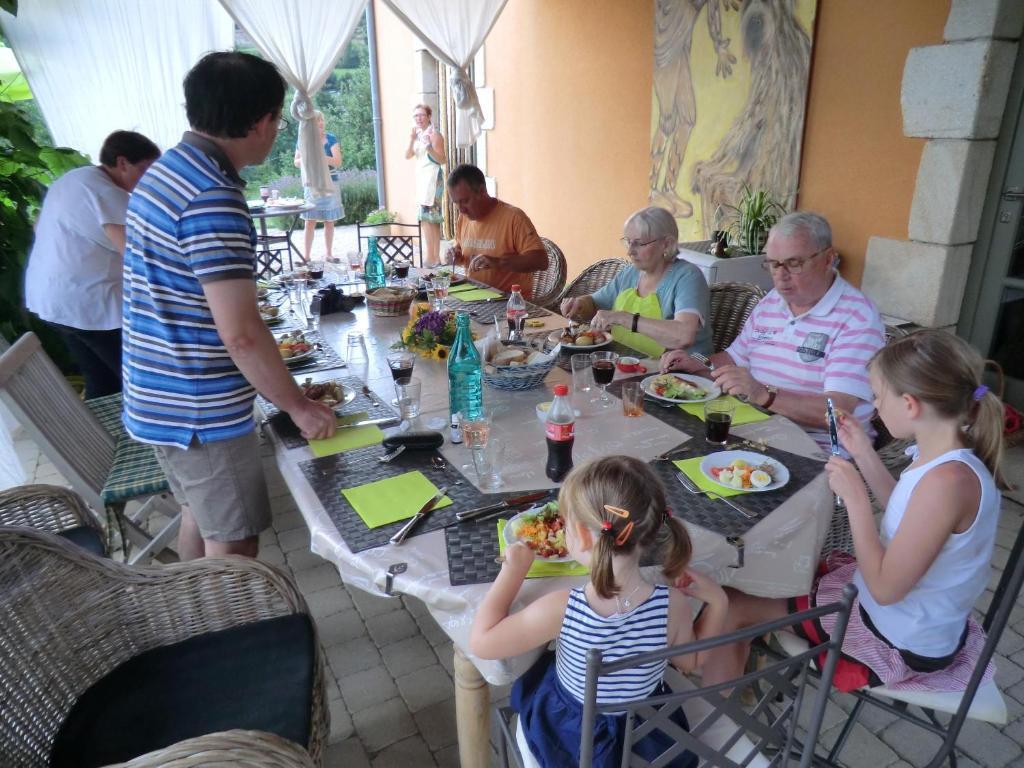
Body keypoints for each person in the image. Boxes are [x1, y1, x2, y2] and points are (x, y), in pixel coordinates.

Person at [701, 330, 1007, 694]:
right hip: (905, 616)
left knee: (732, 604)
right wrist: (863, 452)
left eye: (878, 396)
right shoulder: (943, 460)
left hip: (894, 636)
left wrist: (857, 500)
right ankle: (733, 692)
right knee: (759, 577)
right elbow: (907, 510)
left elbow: (885, 589)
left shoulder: (948, 482)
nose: (875, 407)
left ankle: (714, 723)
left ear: (910, 404)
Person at [122, 52, 336, 561]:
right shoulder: (211, 196)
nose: (277, 130)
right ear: (262, 122)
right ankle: (227, 633)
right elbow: (240, 334)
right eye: (278, 120)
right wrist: (298, 407)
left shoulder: (165, 170)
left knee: (201, 512)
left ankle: (194, 621)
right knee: (235, 538)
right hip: (199, 406)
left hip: (157, 391)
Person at [470, 455, 727, 767]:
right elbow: (691, 662)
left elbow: (482, 642)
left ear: (579, 535)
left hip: (574, 732)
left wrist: (512, 572)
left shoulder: (564, 608)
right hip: (645, 725)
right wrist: (718, 602)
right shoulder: (673, 604)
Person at [660, 211, 885, 453]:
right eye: (773, 264)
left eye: (793, 263)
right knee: (664, 442)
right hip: (754, 430)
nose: (780, 276)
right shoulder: (771, 302)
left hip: (818, 454)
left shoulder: (857, 317)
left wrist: (764, 395)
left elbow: (837, 411)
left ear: (829, 259)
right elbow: (733, 358)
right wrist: (698, 363)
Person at [24, 130, 160, 399]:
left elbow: (39, 225)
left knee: (102, 380)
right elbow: (139, 258)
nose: (149, 179)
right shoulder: (108, 192)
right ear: (122, 163)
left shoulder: (73, 179)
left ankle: (108, 437)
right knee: (141, 380)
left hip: (52, 297)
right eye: (145, 170)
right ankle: (149, 434)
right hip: (87, 302)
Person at [560, 206, 712, 360]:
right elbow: (594, 304)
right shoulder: (630, 273)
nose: (630, 251)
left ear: (666, 244)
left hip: (680, 376)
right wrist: (579, 304)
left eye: (639, 244)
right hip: (629, 365)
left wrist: (624, 318)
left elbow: (683, 335)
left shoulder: (688, 277)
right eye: (628, 242)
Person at [446, 164, 547, 299]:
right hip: (473, 297)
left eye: (465, 201)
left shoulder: (514, 217)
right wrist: (454, 256)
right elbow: (461, 253)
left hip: (510, 303)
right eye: (456, 203)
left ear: (482, 191)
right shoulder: (463, 219)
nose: (461, 210)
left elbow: (541, 261)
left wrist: (499, 262)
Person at [293, 110, 344, 263]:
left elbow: (337, 162)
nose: (320, 123)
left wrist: (320, 156)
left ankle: (328, 254)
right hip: (312, 184)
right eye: (316, 121)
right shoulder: (303, 140)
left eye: (321, 120)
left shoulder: (331, 138)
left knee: (329, 221)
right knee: (309, 221)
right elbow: (296, 162)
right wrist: (307, 158)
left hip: (331, 184)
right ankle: (306, 256)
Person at [405, 103, 447, 266]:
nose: (419, 118)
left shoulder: (434, 135)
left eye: (422, 115)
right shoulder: (418, 135)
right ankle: (433, 256)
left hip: (433, 179)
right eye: (416, 116)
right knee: (426, 218)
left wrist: (429, 146)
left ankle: (432, 256)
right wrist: (411, 139)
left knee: (430, 218)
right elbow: (408, 155)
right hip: (422, 180)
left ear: (429, 116)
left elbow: (442, 159)